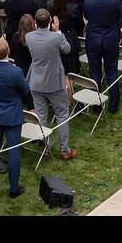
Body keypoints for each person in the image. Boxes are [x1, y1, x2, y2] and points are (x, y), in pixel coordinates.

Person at [0, 37, 32, 199]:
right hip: (12, 115)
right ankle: (13, 189)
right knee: (13, 151)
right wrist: (31, 107)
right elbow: (25, 91)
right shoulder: (15, 71)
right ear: (7, 51)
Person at [25, 8, 74, 160]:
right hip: (54, 83)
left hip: (37, 83)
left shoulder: (29, 36)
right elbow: (67, 49)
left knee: (41, 116)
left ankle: (46, 147)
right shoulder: (56, 37)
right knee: (62, 115)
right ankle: (64, 150)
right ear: (50, 22)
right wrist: (58, 32)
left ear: (35, 23)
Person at [82, 0, 122, 113]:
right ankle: (113, 105)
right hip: (110, 39)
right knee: (111, 71)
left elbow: (88, 17)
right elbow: (119, 17)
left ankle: (97, 105)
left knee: (95, 72)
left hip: (94, 40)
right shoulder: (114, 1)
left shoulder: (89, 2)